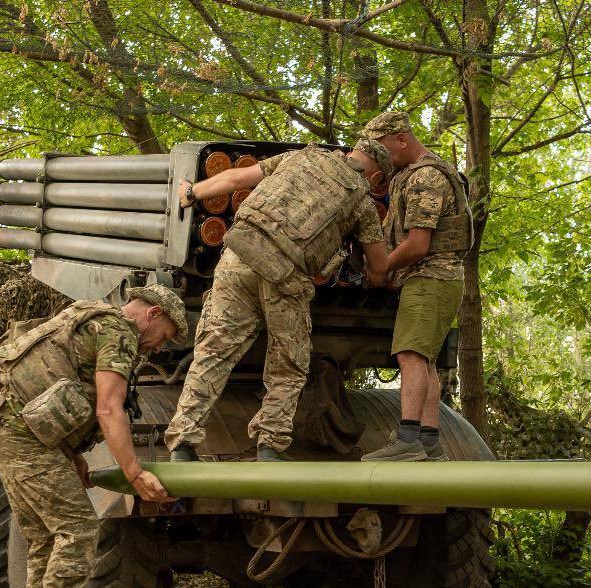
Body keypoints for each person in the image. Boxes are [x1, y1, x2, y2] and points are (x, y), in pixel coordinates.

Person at [0, 286, 184, 588]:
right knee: (79, 531)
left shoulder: (91, 318)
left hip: (11, 428)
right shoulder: (120, 334)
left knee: (43, 537)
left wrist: (72, 453)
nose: (159, 347)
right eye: (165, 335)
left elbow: (55, 388)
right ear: (153, 315)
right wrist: (135, 473)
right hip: (24, 437)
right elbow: (109, 407)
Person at [165, 139, 391, 462]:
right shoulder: (363, 203)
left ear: (351, 153)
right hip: (284, 275)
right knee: (289, 362)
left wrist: (191, 193)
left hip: (237, 256)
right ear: (376, 177)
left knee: (214, 351)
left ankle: (182, 444)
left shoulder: (301, 157)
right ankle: (269, 445)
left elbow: (234, 179)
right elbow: (380, 270)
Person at [358, 111, 473, 462]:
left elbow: (419, 244)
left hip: (429, 277)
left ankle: (407, 440)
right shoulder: (414, 173)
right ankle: (428, 442)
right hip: (435, 280)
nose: (381, 157)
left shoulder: (425, 177)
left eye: (383, 148)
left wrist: (382, 268)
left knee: (410, 356)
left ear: (402, 139)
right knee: (422, 360)